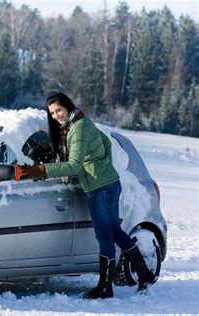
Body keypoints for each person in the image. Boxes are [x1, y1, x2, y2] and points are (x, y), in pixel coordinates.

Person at [15, 92, 156, 299]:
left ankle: (106, 287)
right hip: (102, 184)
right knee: (115, 232)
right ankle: (144, 274)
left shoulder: (78, 129)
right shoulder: (80, 122)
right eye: (52, 113)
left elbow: (74, 166)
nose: (56, 116)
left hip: (103, 187)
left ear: (67, 107)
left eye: (59, 111)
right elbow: (106, 144)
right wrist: (101, 166)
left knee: (104, 235)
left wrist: (39, 170)